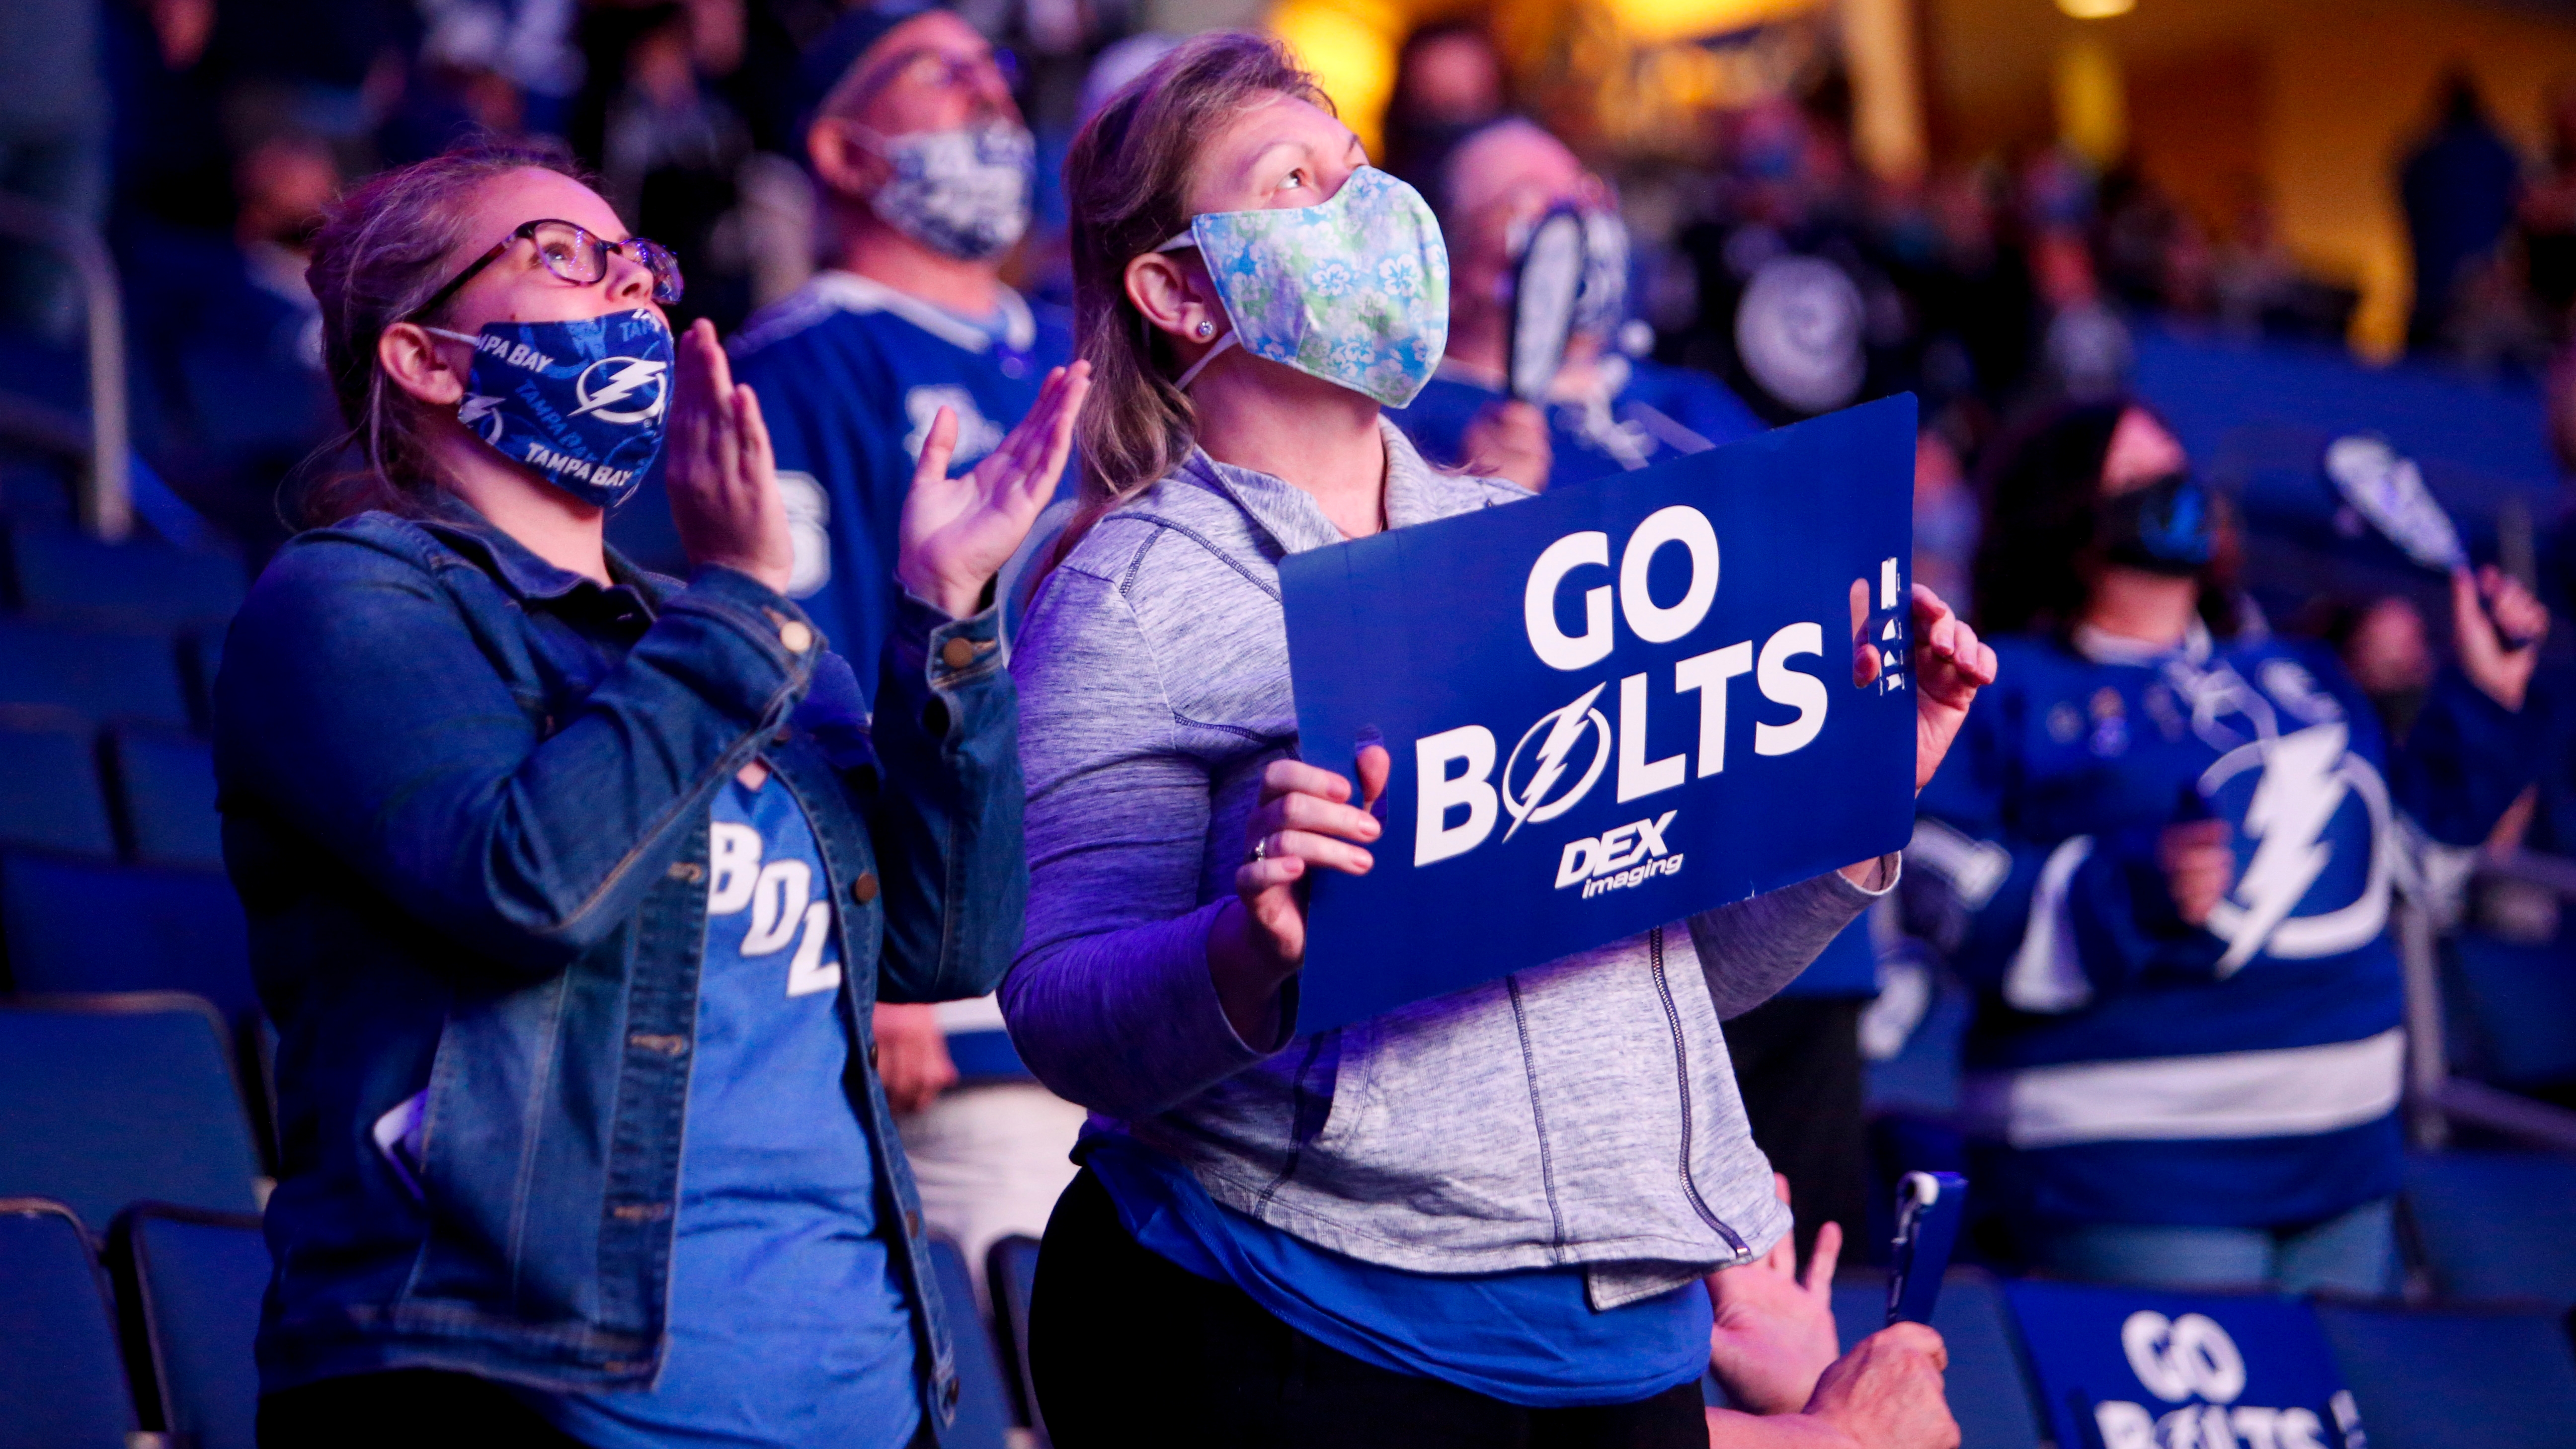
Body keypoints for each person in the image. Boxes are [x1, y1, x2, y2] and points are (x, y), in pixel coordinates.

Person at [1003, 33, 1995, 1447]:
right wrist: (1248, 949)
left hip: (1619, 1344)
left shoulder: (1522, 551)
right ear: (1174, 289)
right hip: (1296, 1320)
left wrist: (1861, 795)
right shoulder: (1130, 587)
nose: (1363, 209)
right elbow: (1061, 1008)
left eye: (1356, 169)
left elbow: (1666, 973)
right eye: (1296, 182)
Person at [217, 140, 1086, 1447]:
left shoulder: (721, 630)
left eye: (640, 265)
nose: (632, 295)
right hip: (523, 1383)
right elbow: (523, 880)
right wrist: (741, 598)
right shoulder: (351, 596)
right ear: (426, 359)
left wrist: (945, 616)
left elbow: (944, 944)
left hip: (858, 1389)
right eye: (566, 257)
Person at [1915, 400, 2547, 1294]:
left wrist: (2481, 699)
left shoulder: (2302, 672)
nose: (2177, 490)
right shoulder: (1993, 680)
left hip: (2346, 1169)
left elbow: (2412, 866)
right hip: (2135, 1177)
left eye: (2177, 465)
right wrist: (2129, 887)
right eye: (2137, 478)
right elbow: (1947, 900)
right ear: (2065, 515)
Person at [718, 0, 1090, 1283]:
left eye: (995, 70)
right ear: (843, 153)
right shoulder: (803, 361)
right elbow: (790, 671)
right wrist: (885, 968)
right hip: (961, 1010)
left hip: (1133, 974)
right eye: (939, 74)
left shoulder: (1075, 350)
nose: (991, 95)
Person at [1385, 117, 1765, 495]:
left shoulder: (1688, 400)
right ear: (1446, 265)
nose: (1578, 211)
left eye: (1584, 188)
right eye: (1528, 196)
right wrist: (1484, 502)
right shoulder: (1405, 436)